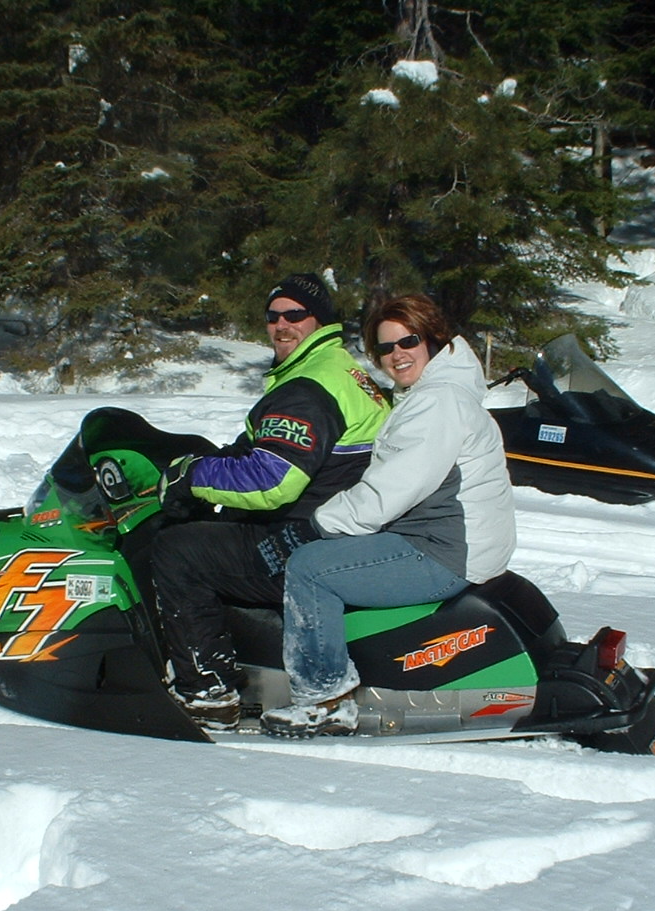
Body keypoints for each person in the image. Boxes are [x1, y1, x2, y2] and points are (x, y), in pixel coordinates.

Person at [257, 293, 517, 738]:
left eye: (407, 342)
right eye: (385, 347)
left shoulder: (438, 402)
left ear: (432, 340)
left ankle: (324, 699)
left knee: (310, 568)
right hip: (449, 542)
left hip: (440, 552)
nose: (396, 355)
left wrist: (314, 526)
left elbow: (392, 489)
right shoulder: (431, 394)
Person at [151, 273, 391, 730]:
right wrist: (208, 461)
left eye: (294, 314)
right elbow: (260, 447)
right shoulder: (346, 373)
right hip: (342, 531)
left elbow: (272, 479)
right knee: (211, 535)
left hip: (306, 537)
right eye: (272, 316)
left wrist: (191, 478)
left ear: (319, 321)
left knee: (179, 551)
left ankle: (207, 694)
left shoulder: (308, 388)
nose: (281, 325)